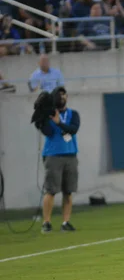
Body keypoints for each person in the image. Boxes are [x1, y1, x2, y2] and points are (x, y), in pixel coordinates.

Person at [39, 87, 80, 233]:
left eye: (64, 95)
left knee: (68, 191)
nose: (62, 97)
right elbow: (47, 132)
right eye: (59, 95)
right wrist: (42, 117)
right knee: (51, 190)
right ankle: (46, 222)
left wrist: (59, 123)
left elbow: (73, 129)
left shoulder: (73, 114)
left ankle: (65, 221)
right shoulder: (48, 116)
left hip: (70, 155)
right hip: (53, 155)